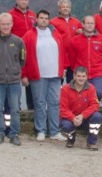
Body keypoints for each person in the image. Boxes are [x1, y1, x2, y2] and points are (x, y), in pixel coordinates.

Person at [21, 10, 68, 142]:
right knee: (40, 103)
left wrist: (63, 68)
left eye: (46, 18)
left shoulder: (55, 33)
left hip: (55, 75)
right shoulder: (29, 35)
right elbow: (23, 57)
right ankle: (41, 130)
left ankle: (54, 131)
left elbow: (62, 51)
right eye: (41, 18)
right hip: (38, 75)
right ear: (36, 19)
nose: (44, 20)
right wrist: (23, 74)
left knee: (54, 103)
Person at [0, 13, 26, 146]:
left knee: (14, 109)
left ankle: (14, 134)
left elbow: (22, 60)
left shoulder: (19, 41)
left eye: (8, 24)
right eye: (3, 24)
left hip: (14, 80)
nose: (5, 26)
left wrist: (15, 71)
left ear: (12, 24)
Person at [60, 67, 102, 150]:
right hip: (70, 119)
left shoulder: (91, 88)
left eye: (83, 76)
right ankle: (71, 139)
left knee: (97, 116)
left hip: (85, 118)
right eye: (79, 76)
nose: (81, 78)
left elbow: (95, 105)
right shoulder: (65, 89)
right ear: (74, 76)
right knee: (66, 126)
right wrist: (73, 118)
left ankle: (91, 142)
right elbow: (63, 109)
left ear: (87, 77)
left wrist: (83, 115)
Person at [68, 15, 102, 98]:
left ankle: (95, 108)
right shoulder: (75, 40)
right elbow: (72, 57)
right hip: (81, 73)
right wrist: (77, 69)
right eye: (87, 23)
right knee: (82, 95)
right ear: (83, 25)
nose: (90, 25)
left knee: (99, 93)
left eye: (92, 23)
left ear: (95, 25)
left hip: (97, 72)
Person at [9, 0, 37, 110]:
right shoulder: (11, 14)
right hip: (15, 50)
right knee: (15, 79)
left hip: (31, 50)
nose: (24, 1)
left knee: (30, 79)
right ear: (17, 0)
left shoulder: (33, 15)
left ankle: (31, 107)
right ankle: (16, 108)